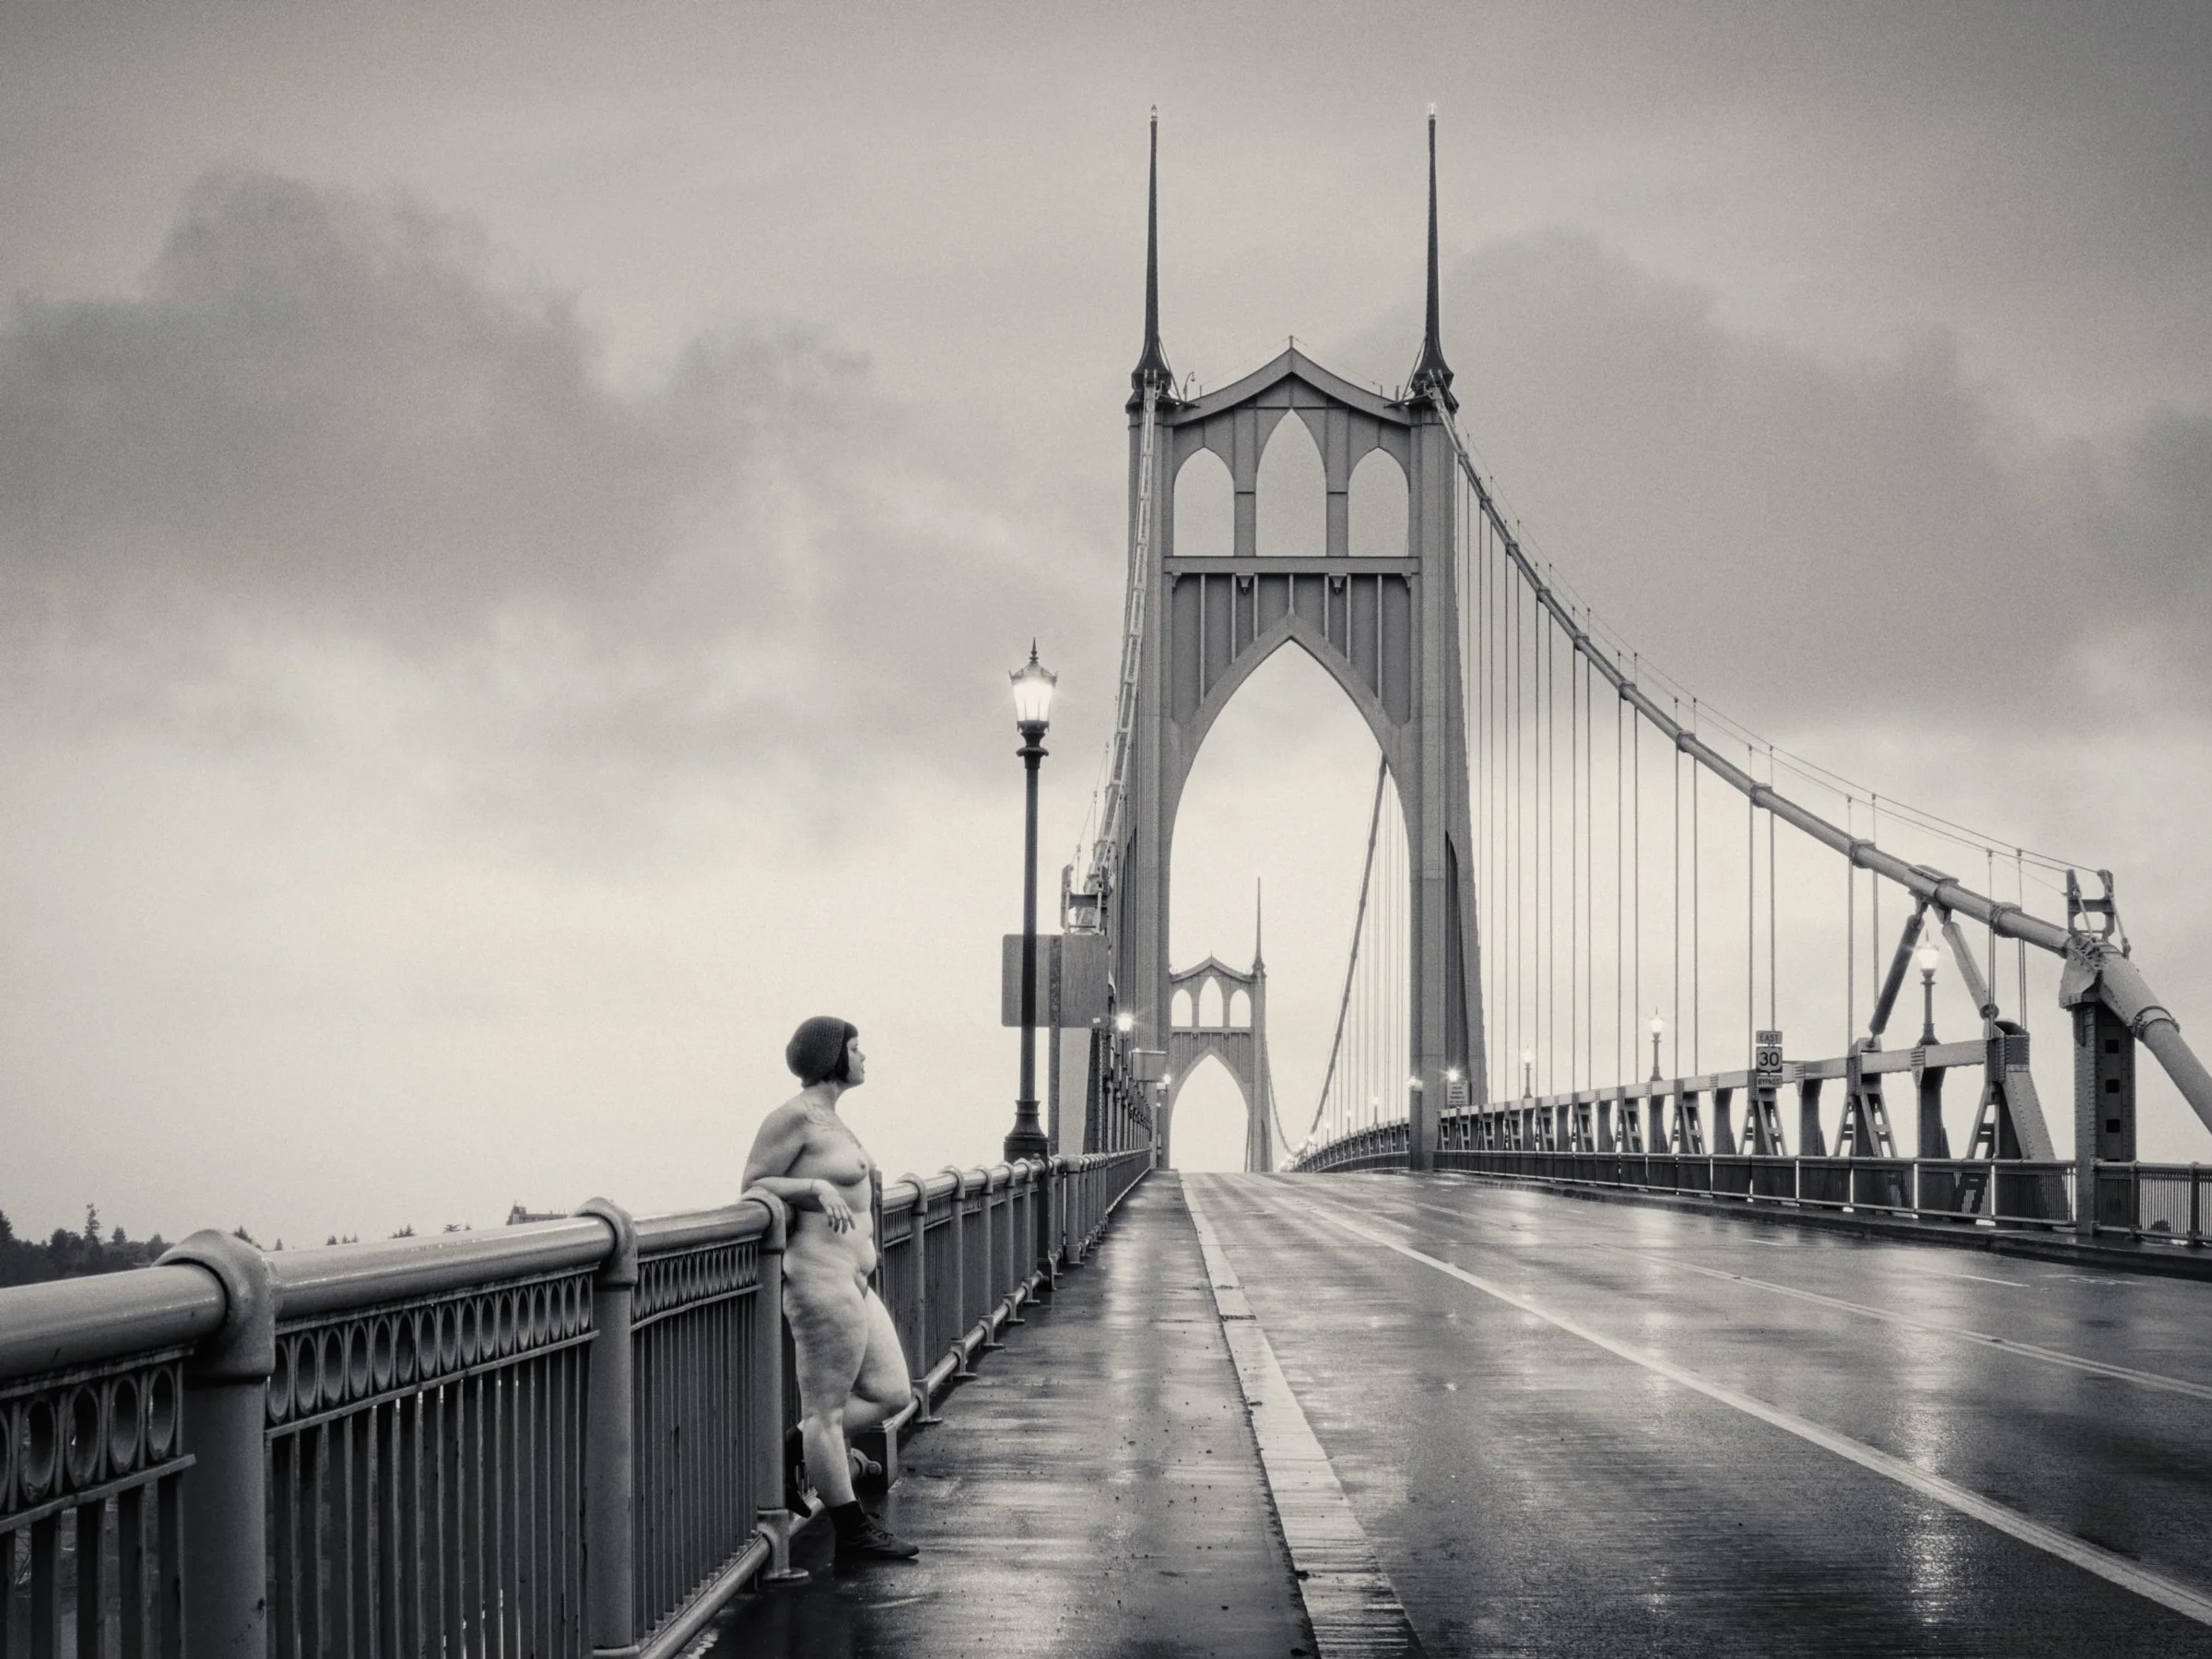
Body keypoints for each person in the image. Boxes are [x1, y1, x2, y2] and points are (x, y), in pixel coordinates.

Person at [742, 1016, 919, 1561]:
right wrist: (815, 1186)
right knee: (827, 1412)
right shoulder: (792, 1116)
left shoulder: (834, 1120)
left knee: (894, 1393)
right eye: (856, 1048)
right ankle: (852, 1530)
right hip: (819, 1280)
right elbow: (752, 1185)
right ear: (831, 1057)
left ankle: (798, 1444)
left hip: (855, 1280)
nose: (864, 1058)